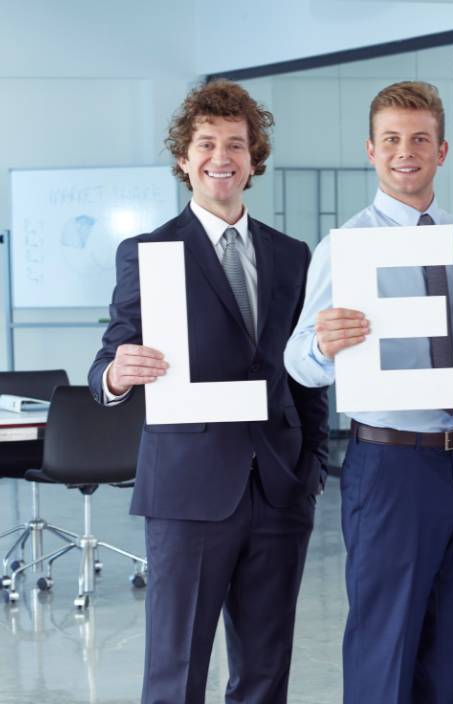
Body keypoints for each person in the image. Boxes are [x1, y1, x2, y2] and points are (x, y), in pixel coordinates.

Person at [88, 79, 329, 704]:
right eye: (205, 143)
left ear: (254, 160)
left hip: (279, 488)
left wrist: (311, 468)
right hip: (188, 489)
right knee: (176, 669)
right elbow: (105, 363)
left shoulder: (292, 256)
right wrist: (118, 374)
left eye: (236, 144)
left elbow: (303, 373)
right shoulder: (148, 253)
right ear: (182, 158)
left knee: (266, 670)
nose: (220, 156)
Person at [283, 81, 453, 704]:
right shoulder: (344, 247)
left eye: (420, 139)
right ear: (371, 151)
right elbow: (298, 362)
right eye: (392, 140)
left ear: (442, 150)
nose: (406, 151)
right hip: (391, 465)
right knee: (387, 641)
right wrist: (325, 345)